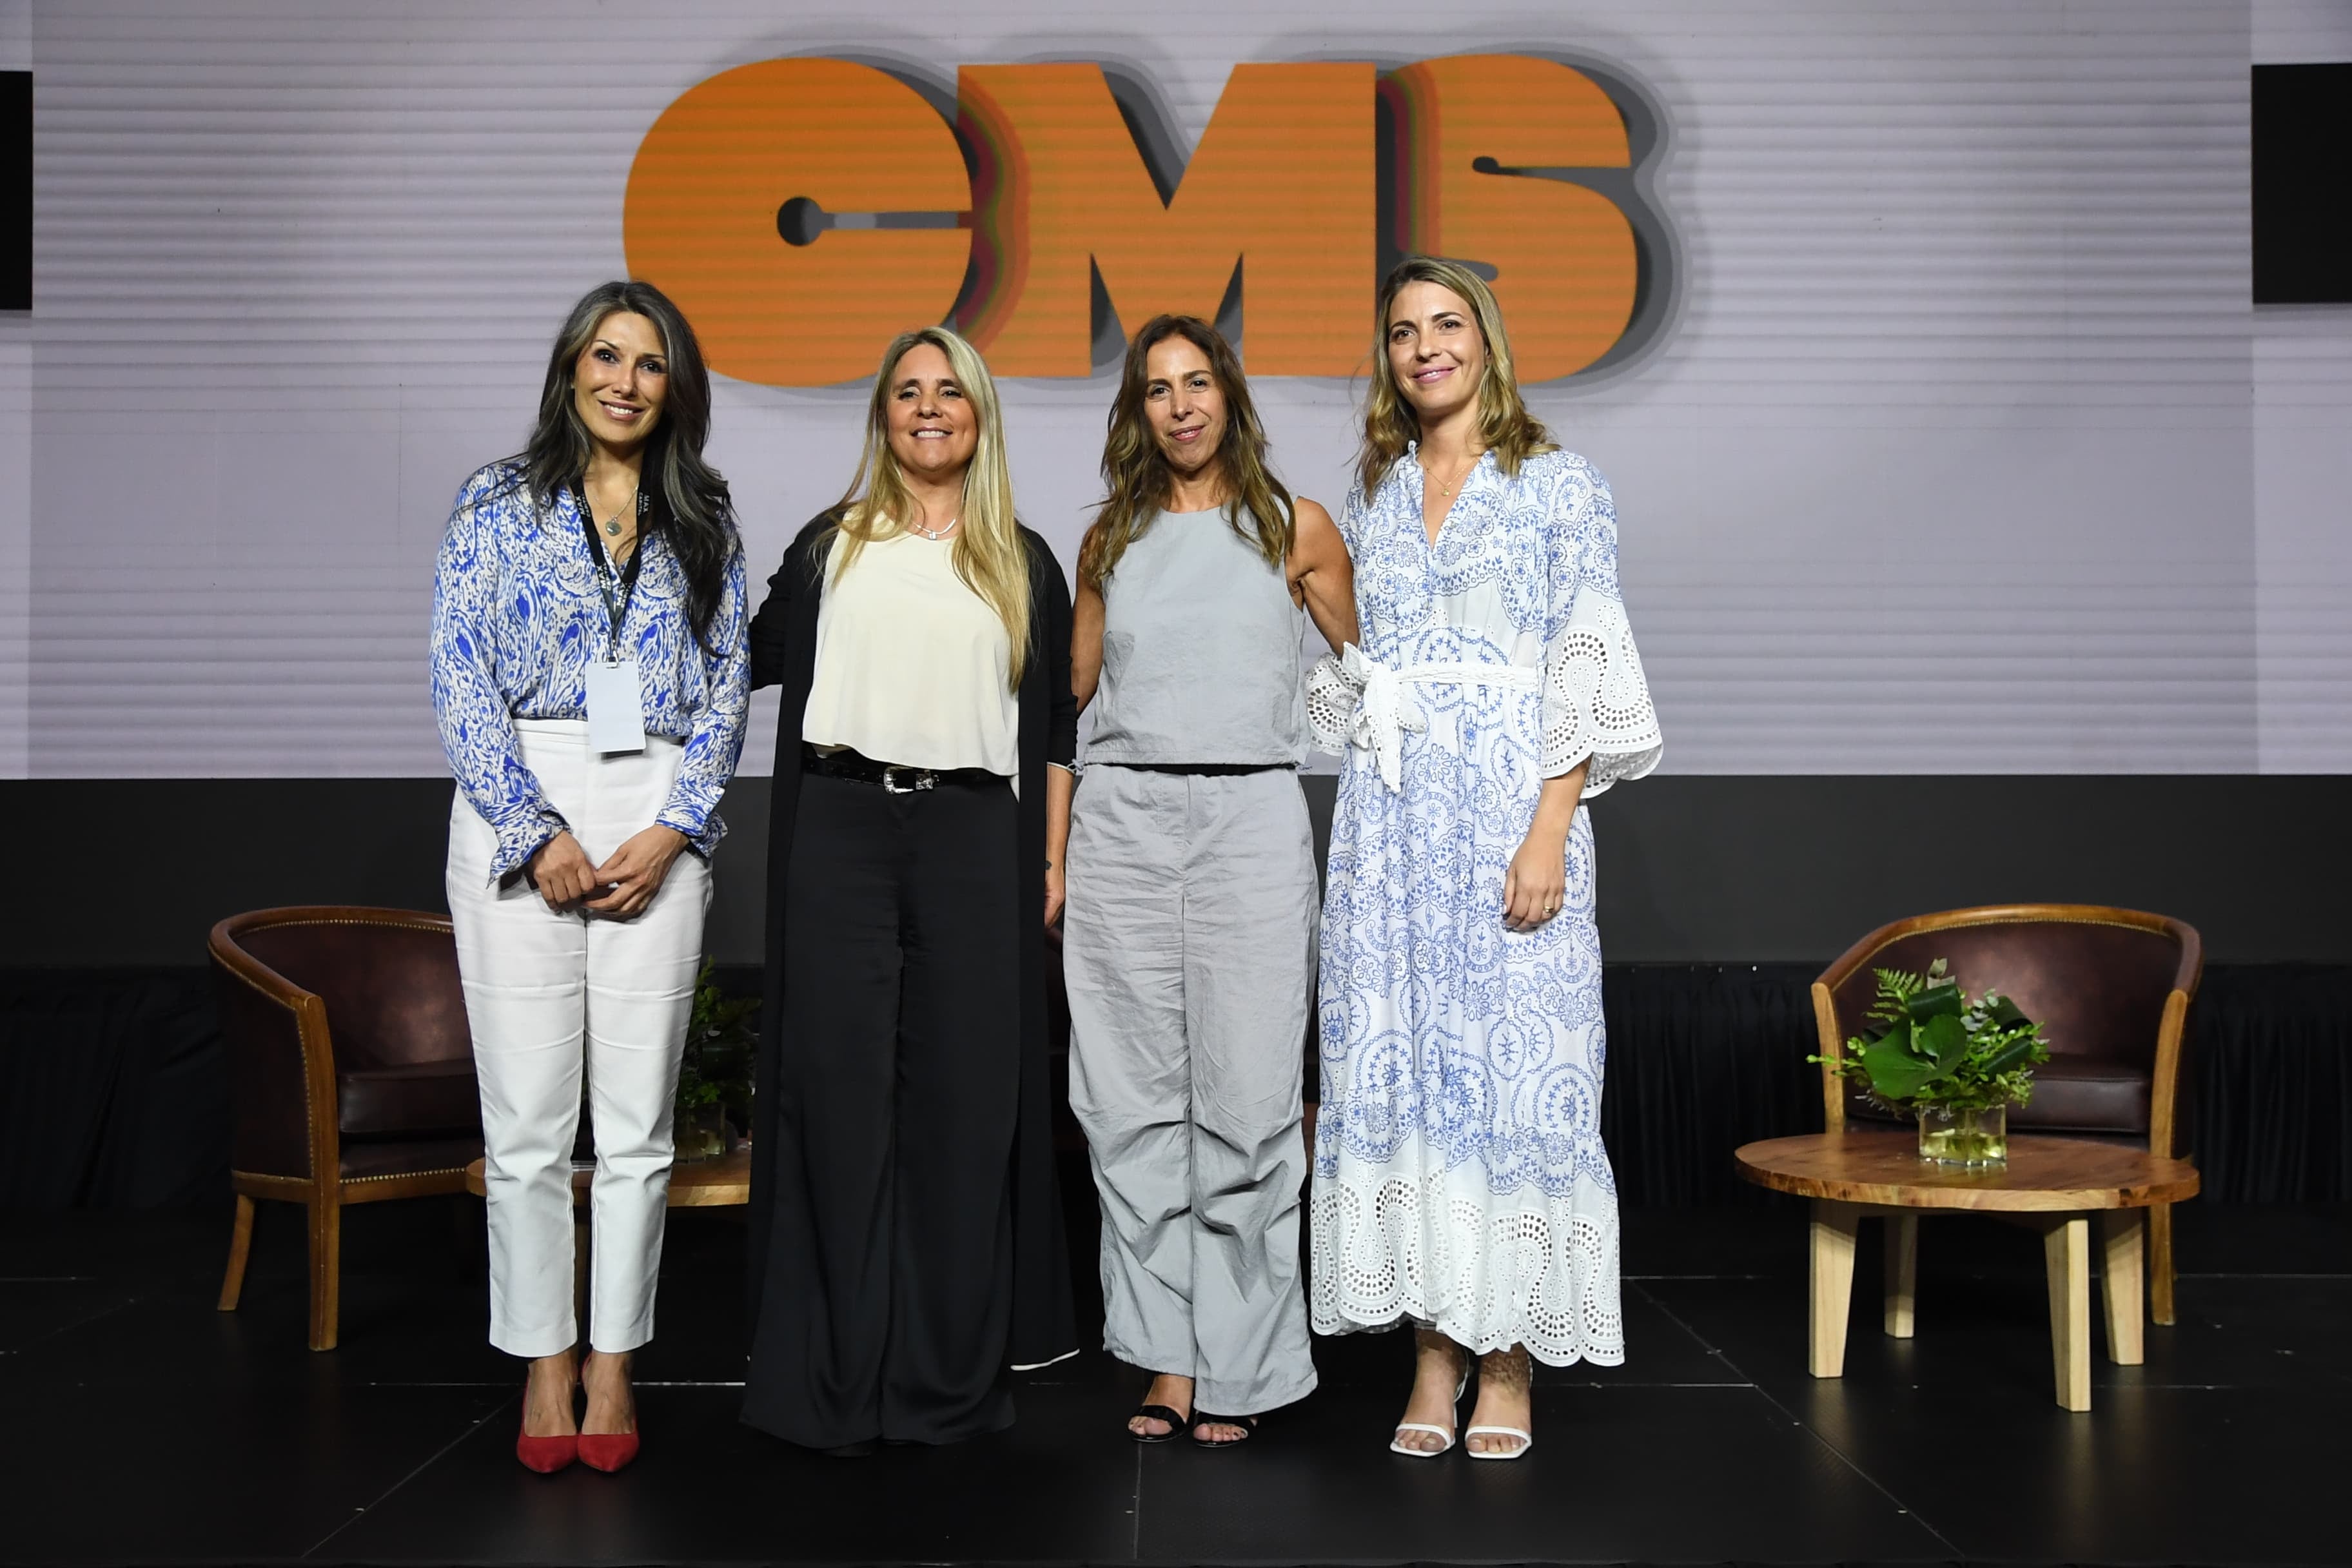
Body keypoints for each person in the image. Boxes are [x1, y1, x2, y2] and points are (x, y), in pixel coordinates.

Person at [1308, 258, 1663, 1459]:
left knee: (1520, 1073)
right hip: (1394, 828)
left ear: (1486, 340)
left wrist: (1552, 824)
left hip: (1515, 810)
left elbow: (1585, 651)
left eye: (1446, 325)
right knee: (1407, 1072)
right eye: (1403, 332)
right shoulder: (1380, 491)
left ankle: (1507, 1360)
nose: (1424, 349)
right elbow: (1374, 665)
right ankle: (1431, 1351)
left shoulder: (1560, 485)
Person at [431, 279, 750, 1475]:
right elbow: (459, 678)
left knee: (637, 1130)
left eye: (650, 364)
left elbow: (724, 694)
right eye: (605, 357)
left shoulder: (705, 514)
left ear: (677, 388)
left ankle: (614, 1365)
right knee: (523, 1130)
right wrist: (535, 829)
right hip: (527, 798)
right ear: (571, 370)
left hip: (656, 810)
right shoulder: (496, 504)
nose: (624, 380)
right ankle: (544, 1364)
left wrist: (677, 827)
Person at [741, 326, 1077, 1455]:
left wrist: (1053, 860)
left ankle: (943, 1385)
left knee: (963, 1106)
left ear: (980, 414)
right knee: (833, 1096)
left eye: (949, 392)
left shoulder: (1023, 561)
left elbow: (1059, 732)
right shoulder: (827, 547)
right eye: (906, 393)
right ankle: (829, 1382)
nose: (928, 408)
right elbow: (729, 658)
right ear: (882, 416)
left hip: (977, 835)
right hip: (839, 831)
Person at [1064, 315, 1355, 1448]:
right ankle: (1166, 1361)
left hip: (1249, 818)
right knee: (1131, 1104)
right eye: (1156, 390)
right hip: (1124, 820)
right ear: (1136, 412)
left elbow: (1374, 677)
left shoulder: (1296, 526)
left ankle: (1246, 1366)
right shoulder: (1111, 540)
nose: (1180, 405)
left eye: (1197, 383)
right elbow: (1069, 698)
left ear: (1229, 394)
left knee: (1245, 1103)